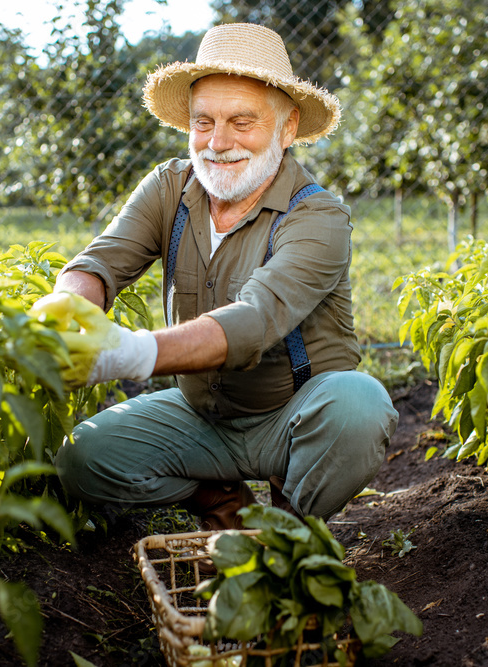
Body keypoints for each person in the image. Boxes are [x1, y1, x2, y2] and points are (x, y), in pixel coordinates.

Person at [34, 22, 398, 530]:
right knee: (83, 456)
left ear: (287, 127)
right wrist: (67, 308)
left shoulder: (317, 217)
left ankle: (293, 521)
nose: (218, 142)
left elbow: (255, 319)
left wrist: (129, 353)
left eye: (241, 122)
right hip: (201, 416)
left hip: (291, 418)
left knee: (359, 407)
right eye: (203, 122)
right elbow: (99, 263)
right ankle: (223, 504)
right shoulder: (169, 188)